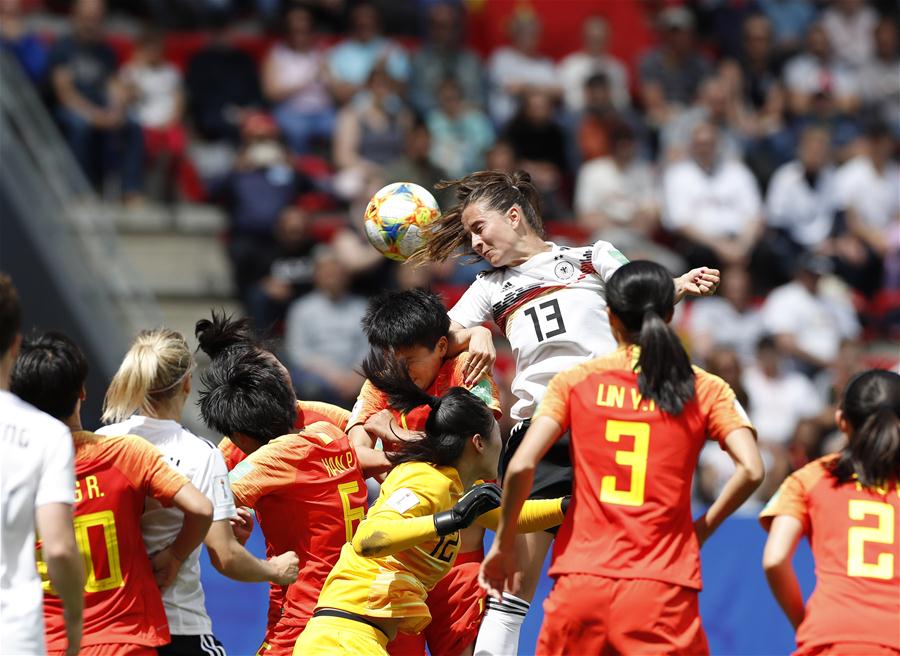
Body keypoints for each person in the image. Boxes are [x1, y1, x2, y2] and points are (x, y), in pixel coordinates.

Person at [411, 169, 720, 654]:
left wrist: (678, 284)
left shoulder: (589, 256)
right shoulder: (490, 287)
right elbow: (441, 336)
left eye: (479, 227)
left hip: (609, 424)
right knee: (512, 587)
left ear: (514, 216)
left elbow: (638, 300)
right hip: (543, 429)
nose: (475, 242)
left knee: (627, 569)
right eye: (469, 233)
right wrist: (478, 333)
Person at [480, 260, 764, 654]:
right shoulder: (706, 387)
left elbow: (524, 464)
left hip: (581, 581)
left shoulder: (575, 381)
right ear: (669, 315)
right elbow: (752, 469)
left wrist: (503, 543)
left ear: (610, 317)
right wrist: (702, 529)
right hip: (662, 584)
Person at [294, 357, 567, 656]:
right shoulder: (424, 478)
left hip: (362, 638)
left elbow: (517, 517)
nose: (500, 441)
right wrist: (450, 519)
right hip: (342, 640)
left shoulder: (459, 488)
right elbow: (368, 537)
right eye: (495, 433)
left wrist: (570, 504)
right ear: (478, 442)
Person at [97, 328, 300, 656]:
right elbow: (225, 557)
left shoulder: (103, 441)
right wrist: (275, 570)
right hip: (176, 626)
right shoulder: (199, 454)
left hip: (113, 627)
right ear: (187, 383)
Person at [11, 332, 213, 656]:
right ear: (82, 392)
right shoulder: (126, 453)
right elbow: (202, 509)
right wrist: (175, 556)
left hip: (48, 642)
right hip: (126, 639)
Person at [196, 314, 369, 656]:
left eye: (275, 363)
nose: (282, 373)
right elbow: (371, 456)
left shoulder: (274, 446)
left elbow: (202, 505)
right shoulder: (330, 427)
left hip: (310, 601)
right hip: (337, 595)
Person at [347, 289, 502, 655]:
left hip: (459, 564)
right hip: (396, 570)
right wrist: (399, 460)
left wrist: (393, 435)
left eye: (411, 359)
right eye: (392, 359)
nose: (400, 370)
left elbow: (465, 446)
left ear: (442, 346)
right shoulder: (384, 380)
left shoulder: (467, 368)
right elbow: (356, 452)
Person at [760, 369, 899, 656]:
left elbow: (774, 560)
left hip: (830, 635)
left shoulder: (811, 477)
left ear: (841, 421)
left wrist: (806, 622)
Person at [0, 275, 83, 656]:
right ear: (16, 345)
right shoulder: (47, 435)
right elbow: (61, 549)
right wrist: (74, 618)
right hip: (15, 634)